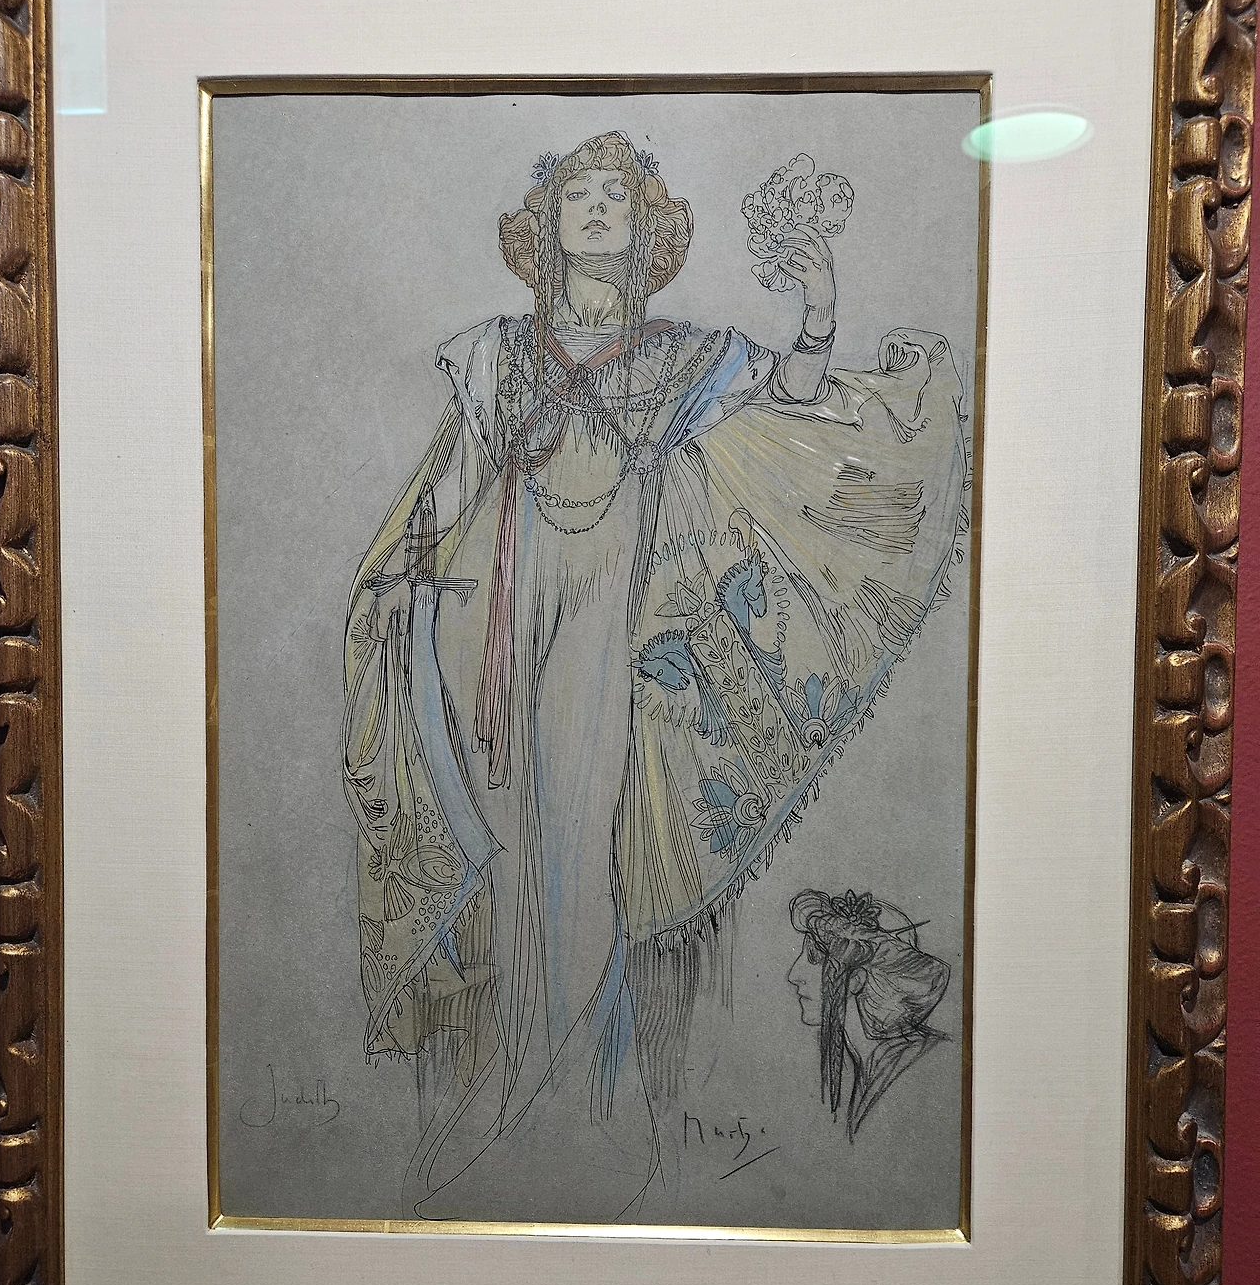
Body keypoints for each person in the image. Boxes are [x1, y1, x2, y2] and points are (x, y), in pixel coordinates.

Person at [342, 131, 967, 1220]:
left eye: (614, 195)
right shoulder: (496, 353)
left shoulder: (683, 356)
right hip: (499, 631)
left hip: (614, 625)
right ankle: (506, 1089)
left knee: (594, 848)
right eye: (575, 194)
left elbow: (793, 396)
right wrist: (400, 585)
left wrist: (818, 307)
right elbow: (447, 488)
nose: (595, 207)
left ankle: (583, 1104)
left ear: (644, 228)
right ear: (545, 230)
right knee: (508, 844)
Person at [787, 888, 951, 1140]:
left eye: (814, 958)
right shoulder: (872, 1064)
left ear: (856, 980)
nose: (794, 976)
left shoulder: (924, 1064)